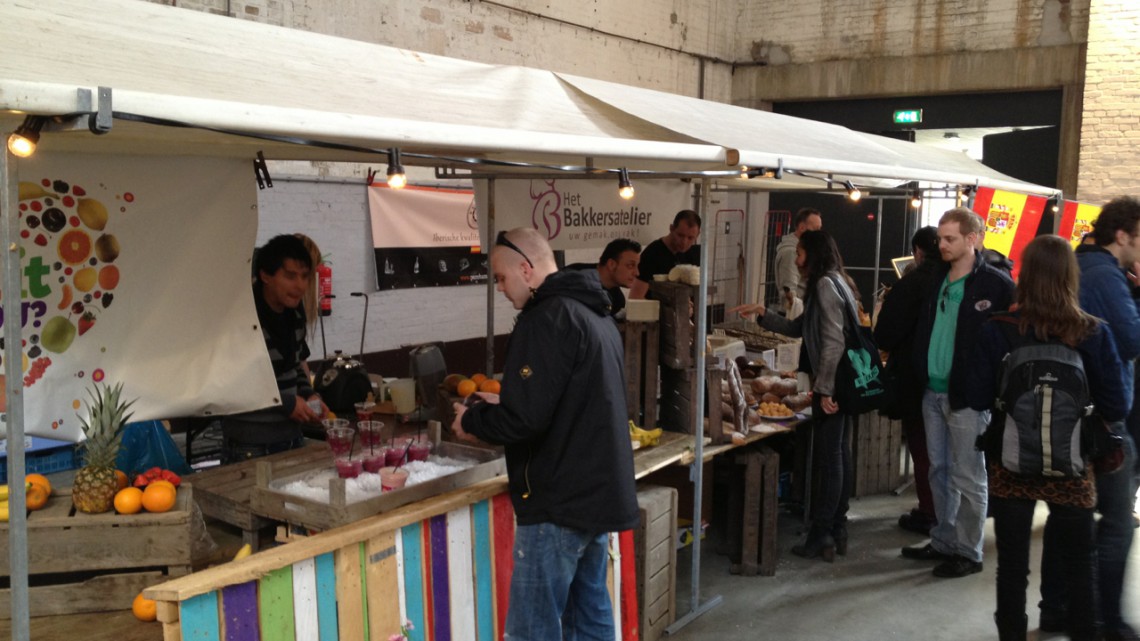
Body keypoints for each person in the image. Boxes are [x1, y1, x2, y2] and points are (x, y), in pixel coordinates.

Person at [450, 227, 638, 640]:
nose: (499, 288)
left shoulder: (547, 318)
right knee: (588, 616)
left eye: (500, 277)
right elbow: (568, 398)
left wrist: (472, 420)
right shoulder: (593, 311)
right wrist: (510, 399)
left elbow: (524, 422)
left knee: (531, 630)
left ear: (526, 268)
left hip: (559, 502)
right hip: (594, 493)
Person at [966, 234, 1126, 641]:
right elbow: (1117, 405)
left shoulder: (998, 329)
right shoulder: (1092, 332)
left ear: (1025, 275)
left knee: (1013, 566)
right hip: (1073, 468)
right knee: (1080, 563)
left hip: (1011, 464)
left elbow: (977, 396)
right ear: (1071, 277)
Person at [1040, 196, 1140, 641]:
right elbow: (1132, 339)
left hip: (1064, 418)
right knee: (1117, 523)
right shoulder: (1105, 275)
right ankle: (1102, 620)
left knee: (1067, 520)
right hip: (1103, 420)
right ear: (1123, 235)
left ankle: (1058, 610)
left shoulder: (1075, 267)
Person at [901, 207, 1014, 578]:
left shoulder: (996, 286)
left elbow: (1008, 343)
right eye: (940, 239)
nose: (942, 245)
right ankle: (944, 539)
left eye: (950, 239)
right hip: (931, 392)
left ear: (973, 238)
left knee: (969, 476)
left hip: (968, 398)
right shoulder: (935, 278)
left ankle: (969, 550)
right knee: (940, 471)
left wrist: (986, 385)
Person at [730, 229, 855, 562]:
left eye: (800, 253)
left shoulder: (826, 286)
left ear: (812, 254)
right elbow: (799, 328)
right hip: (838, 382)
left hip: (834, 384)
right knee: (838, 455)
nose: (796, 259)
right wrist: (763, 313)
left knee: (830, 461)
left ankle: (822, 534)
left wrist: (825, 388)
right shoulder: (832, 282)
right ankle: (836, 529)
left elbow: (832, 343)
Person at [221, 234, 328, 463]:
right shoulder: (243, 317)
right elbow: (232, 380)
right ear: (265, 275)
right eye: (290, 276)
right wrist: (287, 403)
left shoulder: (295, 313)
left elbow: (296, 367)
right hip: (249, 445)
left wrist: (309, 395)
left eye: (305, 277)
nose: (300, 286)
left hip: (291, 437)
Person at [874, 226, 941, 536]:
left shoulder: (914, 283)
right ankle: (947, 514)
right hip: (954, 383)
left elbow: (885, 334)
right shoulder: (959, 280)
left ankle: (930, 512)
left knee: (923, 448)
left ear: (917, 251)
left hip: (916, 378)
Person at [629, 210, 701, 299]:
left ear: (698, 235)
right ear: (671, 228)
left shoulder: (696, 254)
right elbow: (636, 298)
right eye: (680, 235)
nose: (684, 242)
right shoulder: (652, 254)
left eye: (690, 238)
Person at [565, 238, 641, 318]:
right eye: (630, 265)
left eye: (637, 266)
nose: (637, 273)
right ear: (611, 264)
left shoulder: (617, 300)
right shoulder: (572, 277)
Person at [773, 208, 823, 307]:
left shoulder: (801, 250)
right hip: (795, 316)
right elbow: (789, 291)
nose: (819, 234)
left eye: (819, 229)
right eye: (815, 229)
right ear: (801, 228)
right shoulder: (791, 253)